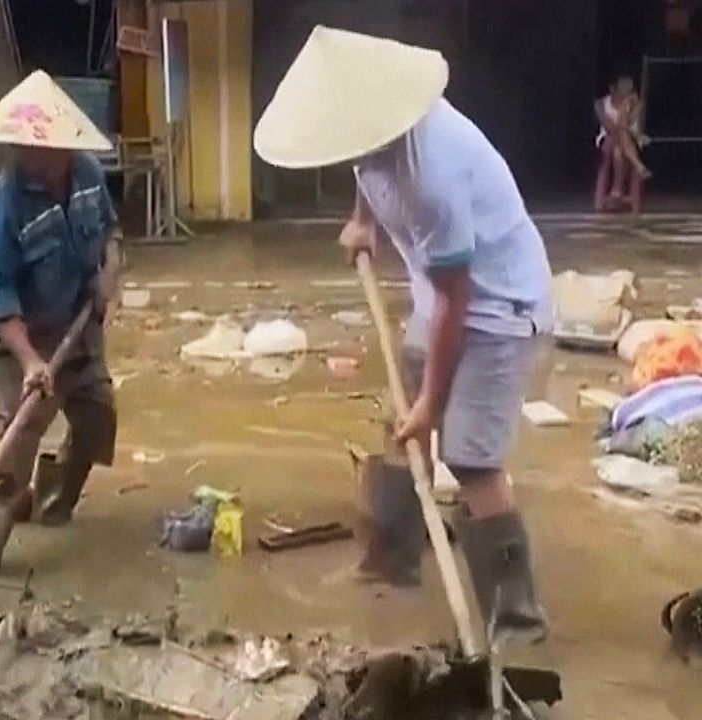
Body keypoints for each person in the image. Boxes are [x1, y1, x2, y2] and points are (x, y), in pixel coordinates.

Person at [253, 27, 551, 646]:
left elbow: (458, 300)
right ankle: (392, 561)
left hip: (499, 306)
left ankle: (516, 619)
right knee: (403, 428)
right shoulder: (369, 136)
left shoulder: (430, 175)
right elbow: (366, 171)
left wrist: (433, 403)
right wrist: (363, 222)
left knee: (471, 458)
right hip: (441, 297)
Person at [0, 70, 121, 577]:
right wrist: (31, 361)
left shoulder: (88, 175)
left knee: (97, 417)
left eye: (44, 145)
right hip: (16, 336)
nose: (33, 154)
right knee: (15, 445)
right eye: (24, 146)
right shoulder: (1, 204)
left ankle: (55, 505)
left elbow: (111, 233)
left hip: (76, 319)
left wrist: (108, 274)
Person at [594, 73, 650, 213]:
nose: (627, 90)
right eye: (623, 86)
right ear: (613, 88)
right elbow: (611, 127)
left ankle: (617, 188)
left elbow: (627, 122)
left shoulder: (637, 104)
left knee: (618, 151)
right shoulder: (600, 104)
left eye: (629, 87)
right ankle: (635, 166)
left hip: (631, 139)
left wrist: (627, 105)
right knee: (614, 144)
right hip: (609, 138)